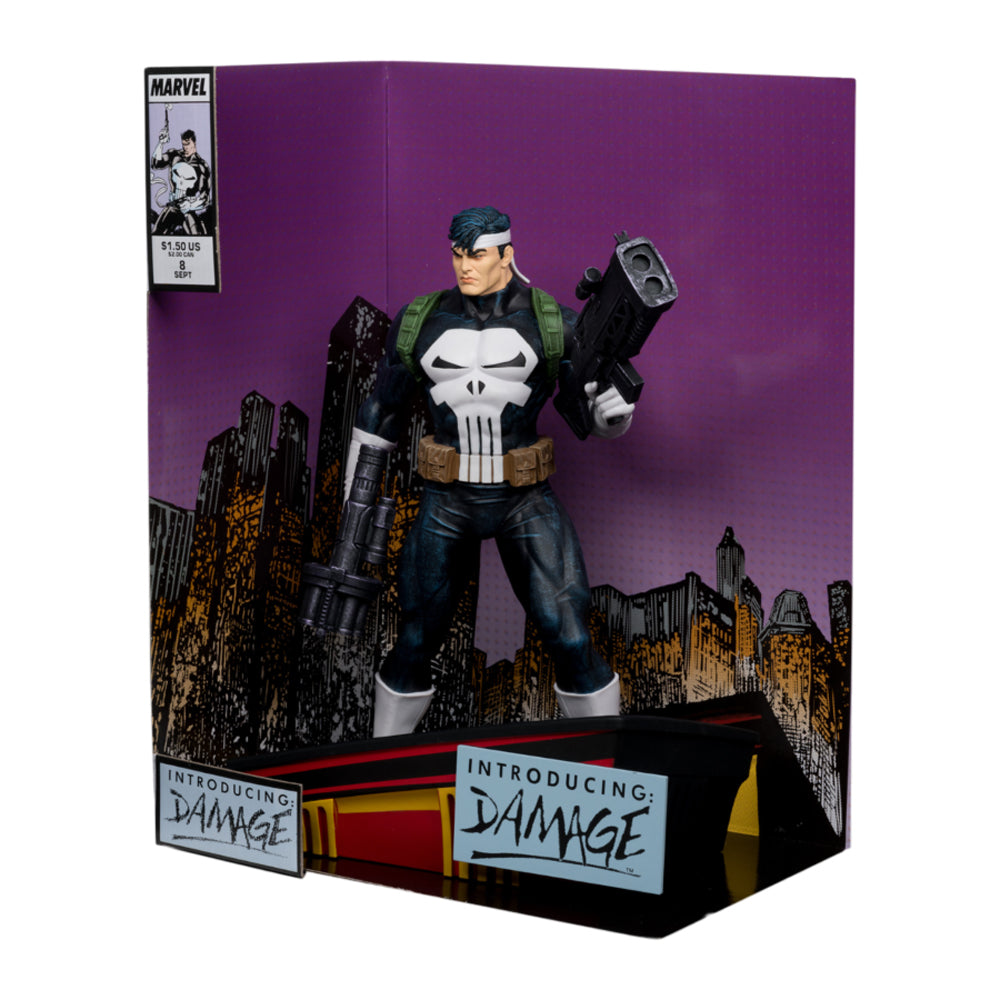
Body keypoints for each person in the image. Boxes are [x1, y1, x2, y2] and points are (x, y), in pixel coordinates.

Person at [348, 207, 636, 736]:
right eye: (457, 254)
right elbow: (380, 412)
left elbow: (589, 413)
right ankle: (382, 760)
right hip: (446, 499)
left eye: (477, 254)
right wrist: (354, 511)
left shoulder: (552, 324)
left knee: (571, 636)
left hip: (522, 497)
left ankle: (607, 761)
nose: (465, 266)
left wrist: (613, 416)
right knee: (414, 640)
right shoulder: (419, 322)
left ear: (507, 254)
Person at [150, 128, 212, 235]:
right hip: (172, 206)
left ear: (194, 143)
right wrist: (161, 143)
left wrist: (191, 205)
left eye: (188, 144)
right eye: (183, 144)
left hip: (188, 208)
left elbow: (205, 197)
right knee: (156, 235)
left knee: (199, 237)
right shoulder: (175, 155)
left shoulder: (201, 166)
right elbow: (155, 163)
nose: (185, 147)